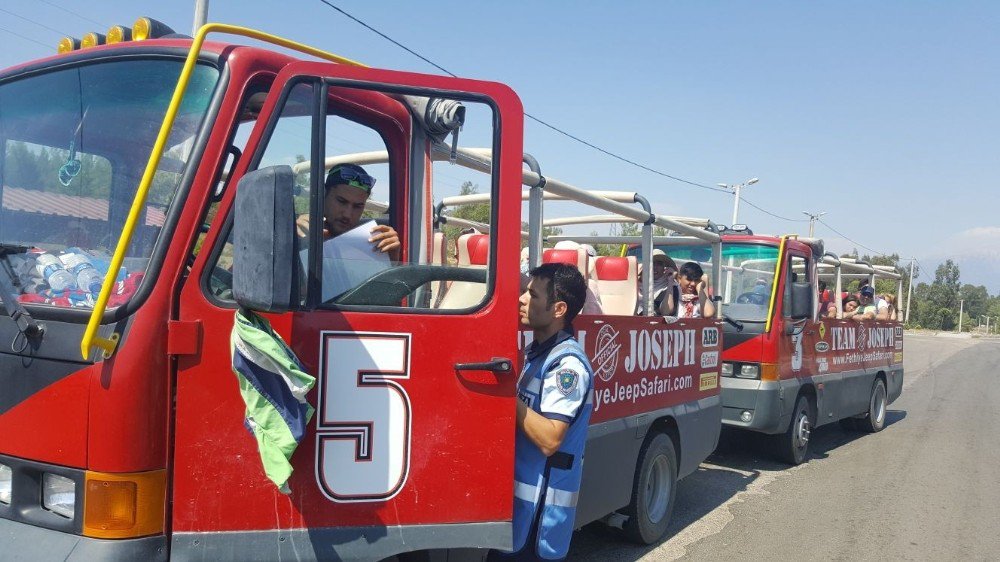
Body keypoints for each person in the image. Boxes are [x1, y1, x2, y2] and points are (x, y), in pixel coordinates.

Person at [501, 263, 594, 561]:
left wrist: (502, 395)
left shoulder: (567, 365)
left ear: (558, 309)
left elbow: (551, 438)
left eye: (533, 294)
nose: (521, 299)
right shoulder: (539, 353)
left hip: (539, 523)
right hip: (521, 515)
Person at [295, 163, 400, 261]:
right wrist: (292, 234)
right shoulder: (299, 231)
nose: (347, 214)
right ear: (323, 196)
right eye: (341, 201)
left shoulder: (374, 243)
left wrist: (392, 260)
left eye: (357, 206)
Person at [636, 249, 678, 316]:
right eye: (652, 263)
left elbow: (666, 312)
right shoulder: (635, 285)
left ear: (664, 268)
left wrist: (670, 282)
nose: (655, 267)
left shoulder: (671, 287)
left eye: (659, 264)